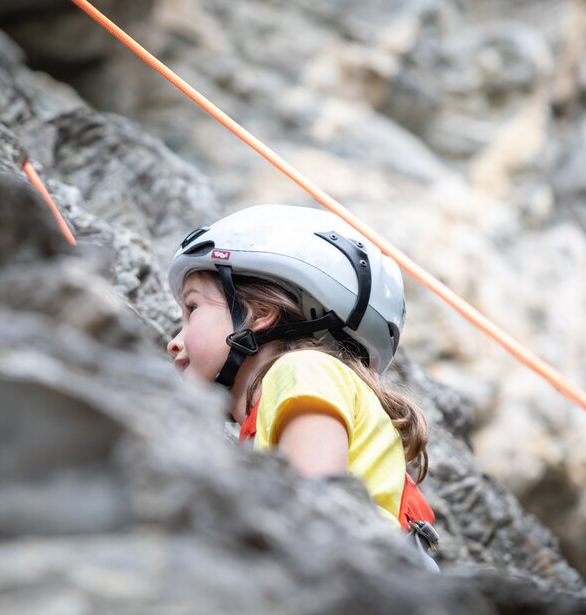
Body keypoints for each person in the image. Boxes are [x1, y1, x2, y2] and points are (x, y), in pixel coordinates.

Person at [165, 204, 439, 568]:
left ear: (261, 313)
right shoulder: (281, 401)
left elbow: (313, 518)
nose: (173, 342)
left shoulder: (302, 370)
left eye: (192, 309)